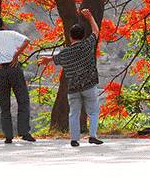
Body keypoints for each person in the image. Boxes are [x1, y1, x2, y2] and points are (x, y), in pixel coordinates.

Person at [40, 9, 103, 147]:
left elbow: (55, 58)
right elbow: (96, 32)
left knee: (73, 113)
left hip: (73, 88)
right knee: (93, 112)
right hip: (89, 85)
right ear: (83, 35)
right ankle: (92, 136)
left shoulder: (65, 53)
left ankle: (74, 139)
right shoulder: (88, 45)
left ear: (70, 36)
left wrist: (47, 60)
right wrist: (90, 17)